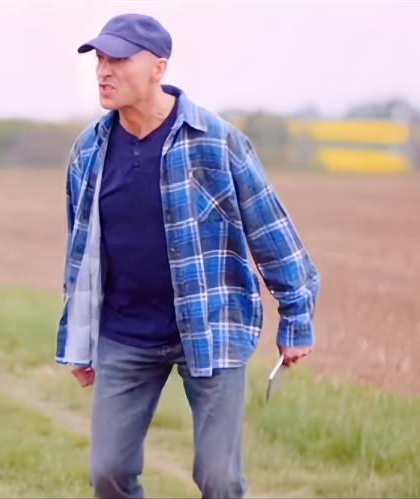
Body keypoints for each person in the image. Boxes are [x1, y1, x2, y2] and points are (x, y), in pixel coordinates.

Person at [55, 13, 321, 499]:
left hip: (211, 329)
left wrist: (296, 318)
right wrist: (81, 338)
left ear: (159, 67)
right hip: (125, 335)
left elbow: (272, 231)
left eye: (118, 60)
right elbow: (83, 254)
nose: (103, 71)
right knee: (108, 473)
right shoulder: (89, 150)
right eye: (100, 59)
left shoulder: (217, 141)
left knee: (219, 480)